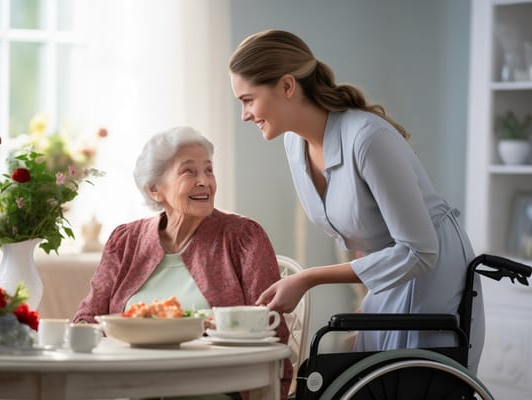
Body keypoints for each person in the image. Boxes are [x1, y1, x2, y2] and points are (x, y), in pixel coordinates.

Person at [229, 29, 484, 373]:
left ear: (287, 86)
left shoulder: (367, 139)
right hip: (387, 270)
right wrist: (367, 301)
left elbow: (420, 251)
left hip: (430, 273)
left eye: (248, 99)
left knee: (408, 382)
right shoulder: (294, 144)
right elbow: (361, 226)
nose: (244, 114)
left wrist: (308, 278)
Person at [74, 126, 291, 399]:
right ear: (155, 189)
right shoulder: (125, 240)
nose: (205, 181)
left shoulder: (243, 237)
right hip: (130, 387)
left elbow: (271, 328)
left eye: (209, 170)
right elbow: (88, 316)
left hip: (214, 388)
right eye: (189, 172)